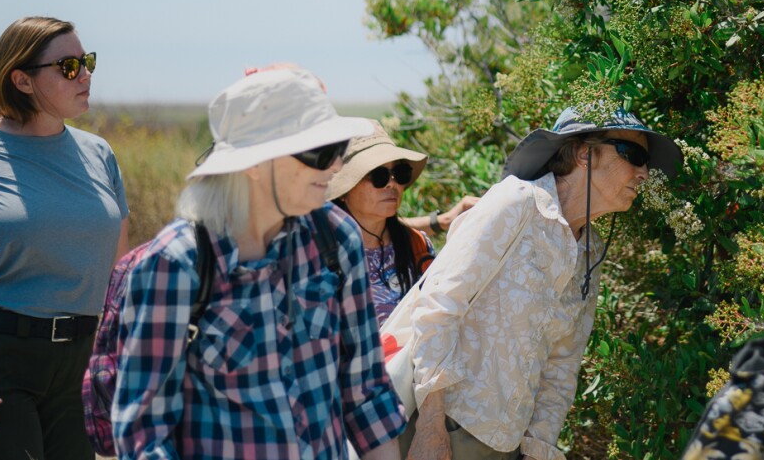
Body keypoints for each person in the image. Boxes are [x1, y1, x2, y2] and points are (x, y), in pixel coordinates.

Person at [112, 67, 407, 460]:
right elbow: (145, 435)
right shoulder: (177, 264)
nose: (335, 166)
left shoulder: (336, 239)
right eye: (319, 153)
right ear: (253, 163)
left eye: (337, 148)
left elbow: (366, 392)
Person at [402, 105, 682, 460]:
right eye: (634, 155)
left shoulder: (590, 248)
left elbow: (563, 363)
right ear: (585, 154)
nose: (643, 173)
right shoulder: (516, 202)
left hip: (509, 446)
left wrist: (538, 449)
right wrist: (430, 426)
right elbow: (439, 305)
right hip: (448, 428)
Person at [0, 16, 129, 459]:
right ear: (22, 80)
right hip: (0, 365)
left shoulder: (98, 152)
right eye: (69, 67)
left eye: (86, 62)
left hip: (82, 365)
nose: (85, 75)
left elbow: (119, 272)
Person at [326, 120, 479, 325]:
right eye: (378, 176)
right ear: (344, 191)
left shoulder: (417, 245)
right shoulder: (319, 254)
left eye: (399, 174)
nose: (392, 183)